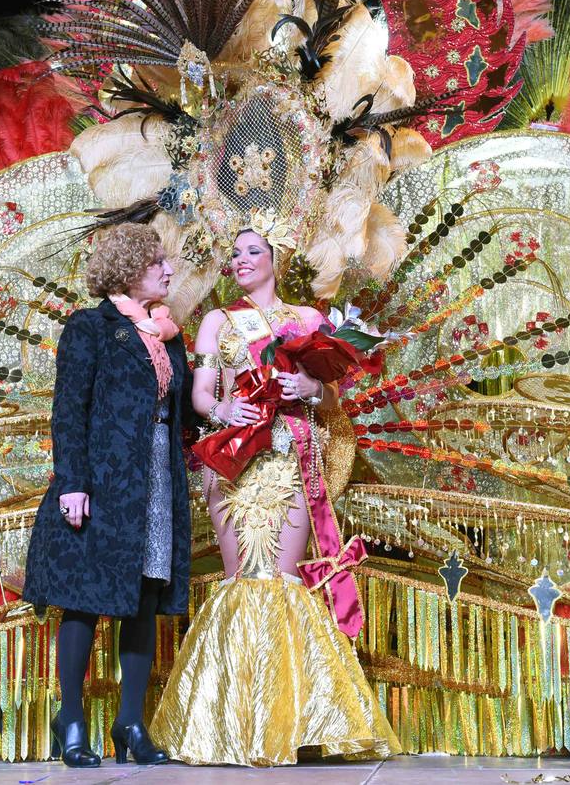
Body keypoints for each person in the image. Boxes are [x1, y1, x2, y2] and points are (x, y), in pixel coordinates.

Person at [148, 228, 400, 766]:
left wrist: (309, 390)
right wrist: (222, 412)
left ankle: (286, 720)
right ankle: (229, 725)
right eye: (235, 254)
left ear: (275, 261)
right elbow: (200, 395)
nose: (240, 261)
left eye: (252, 252)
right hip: (234, 460)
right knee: (241, 581)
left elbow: (330, 394)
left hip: (290, 461)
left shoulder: (309, 322)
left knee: (280, 582)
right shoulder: (218, 320)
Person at [22, 222, 191, 768]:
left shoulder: (169, 333)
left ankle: (129, 723)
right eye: (156, 262)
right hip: (103, 481)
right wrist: (72, 481)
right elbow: (69, 409)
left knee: (144, 596)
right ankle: (70, 717)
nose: (168, 270)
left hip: (156, 481)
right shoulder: (90, 328)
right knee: (86, 598)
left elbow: (178, 411)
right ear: (127, 269)